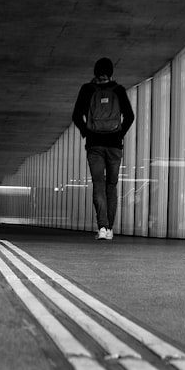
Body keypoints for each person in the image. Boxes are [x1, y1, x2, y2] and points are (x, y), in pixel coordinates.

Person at [72, 57, 134, 240]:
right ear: (110, 73)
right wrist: (118, 134)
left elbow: (76, 116)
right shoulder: (119, 91)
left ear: (95, 72)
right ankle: (110, 229)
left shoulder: (87, 90)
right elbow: (130, 116)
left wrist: (88, 133)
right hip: (114, 146)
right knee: (111, 186)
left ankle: (102, 227)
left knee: (98, 183)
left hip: (95, 145)